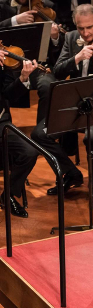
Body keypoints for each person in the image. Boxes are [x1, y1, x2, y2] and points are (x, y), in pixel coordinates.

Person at [30, 4, 93, 209]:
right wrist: (78, 57)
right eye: (81, 28)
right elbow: (57, 69)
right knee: (40, 134)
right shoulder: (72, 39)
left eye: (90, 27)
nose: (86, 33)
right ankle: (71, 172)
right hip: (73, 108)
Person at [0, 52, 38, 218]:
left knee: (30, 151)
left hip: (1, 121)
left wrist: (23, 77)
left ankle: (8, 194)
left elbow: (9, 94)